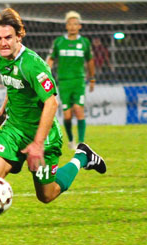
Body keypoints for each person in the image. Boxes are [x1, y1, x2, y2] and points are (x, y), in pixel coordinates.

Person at [0, 8, 106, 245]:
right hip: (14, 130)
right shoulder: (0, 59)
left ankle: (82, 156)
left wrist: (38, 144)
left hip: (44, 137)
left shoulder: (33, 64)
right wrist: (2, 113)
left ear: (19, 36)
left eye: (8, 37)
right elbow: (12, 87)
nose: (3, 43)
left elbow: (51, 103)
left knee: (46, 195)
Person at [46, 11, 95, 150]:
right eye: (70, 24)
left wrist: (92, 78)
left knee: (79, 110)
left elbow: (90, 61)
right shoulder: (59, 42)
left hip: (79, 81)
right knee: (67, 115)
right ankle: (71, 140)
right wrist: (45, 74)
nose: (73, 26)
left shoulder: (84, 42)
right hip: (64, 82)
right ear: (66, 26)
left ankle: (81, 142)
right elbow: (51, 59)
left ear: (80, 26)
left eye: (75, 24)